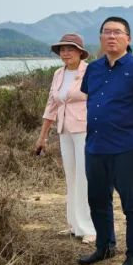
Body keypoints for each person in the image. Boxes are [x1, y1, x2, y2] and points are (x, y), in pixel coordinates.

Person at [76, 17, 133, 265]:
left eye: (117, 32)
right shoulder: (93, 69)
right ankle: (105, 246)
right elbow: (90, 99)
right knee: (98, 199)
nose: (111, 36)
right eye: (107, 32)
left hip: (125, 147)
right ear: (100, 38)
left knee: (132, 202)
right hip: (95, 146)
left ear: (128, 38)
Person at [35, 33, 96, 245]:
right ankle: (74, 224)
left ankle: (89, 227)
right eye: (62, 49)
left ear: (80, 52)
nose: (66, 53)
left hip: (85, 129)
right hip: (65, 130)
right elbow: (51, 105)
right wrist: (42, 136)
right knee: (71, 176)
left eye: (70, 49)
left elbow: (98, 100)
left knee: (85, 177)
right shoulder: (58, 74)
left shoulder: (90, 71)